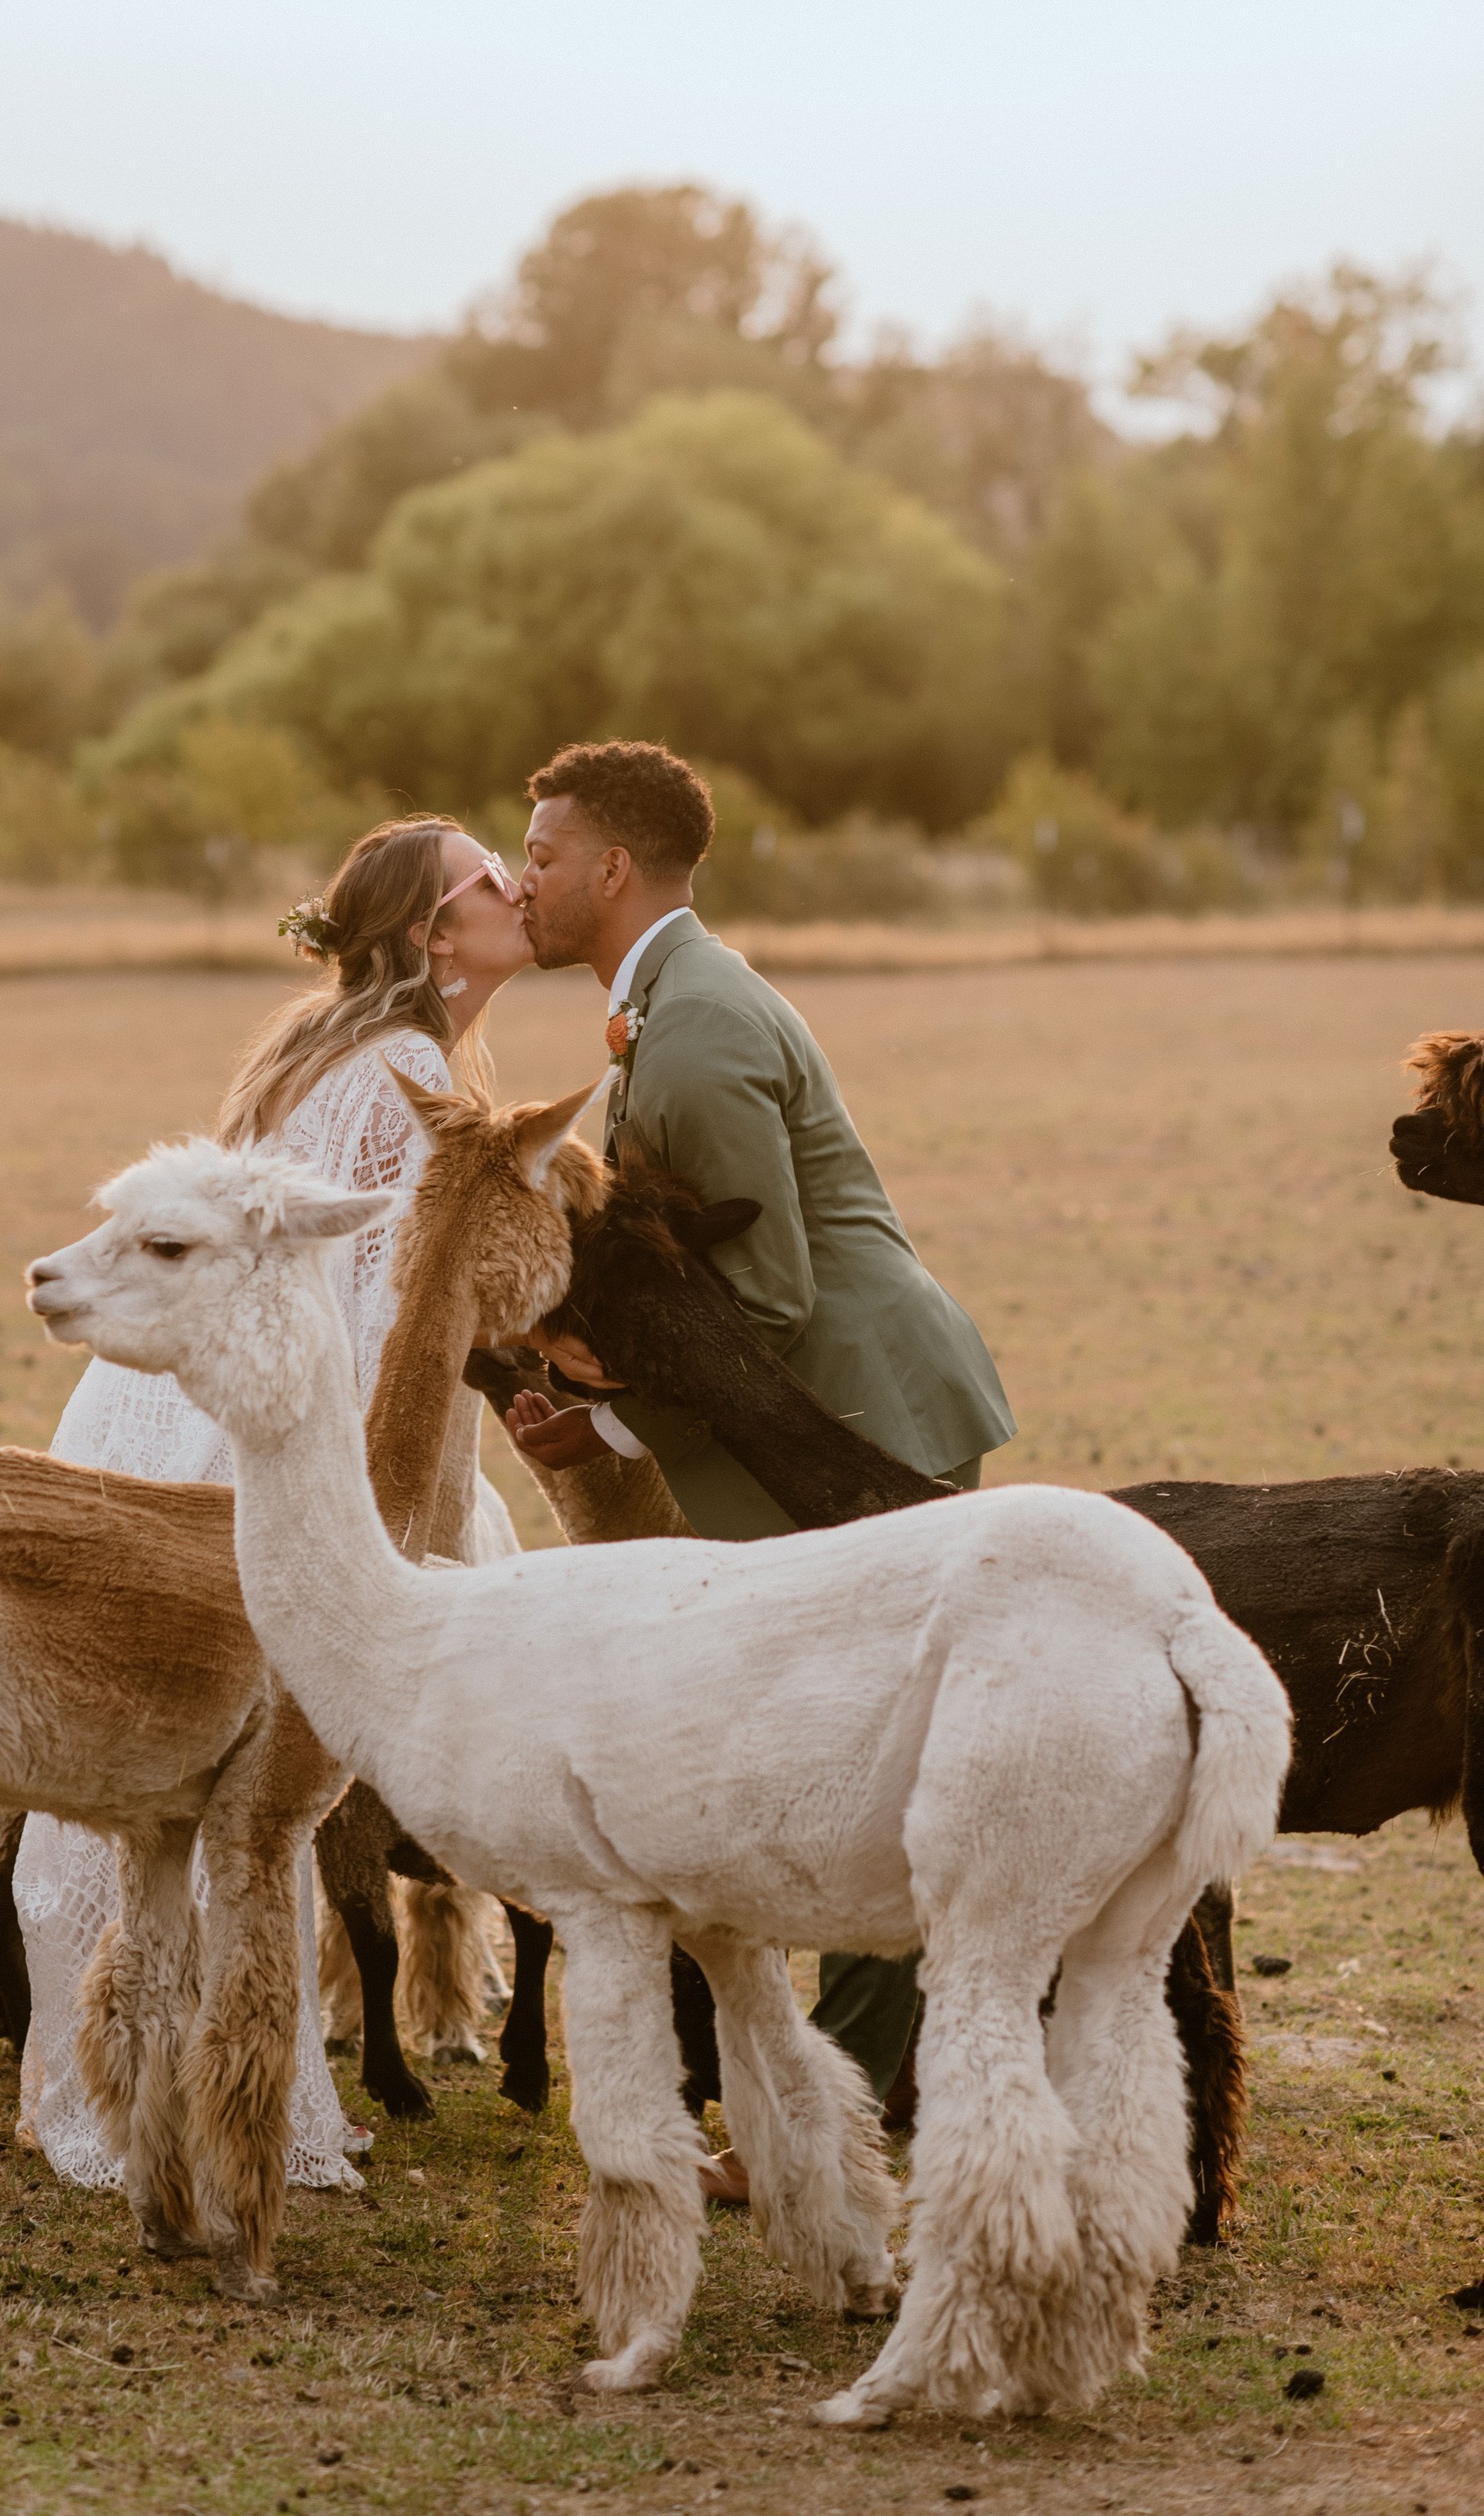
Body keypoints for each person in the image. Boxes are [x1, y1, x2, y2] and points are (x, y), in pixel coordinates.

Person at [511, 739, 1015, 2185]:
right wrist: (601, 1414)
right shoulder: (667, 1003)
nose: (521, 876)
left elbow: (771, 1300)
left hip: (860, 1424)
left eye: (539, 854)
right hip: (823, 1417)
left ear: (612, 869)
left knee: (872, 1768)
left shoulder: (692, 1032)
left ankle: (840, 2120)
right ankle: (854, 2101)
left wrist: (602, 1368)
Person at [16, 814, 536, 2195]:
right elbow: (377, 1304)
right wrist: (377, 1504)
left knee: (151, 1769)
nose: (516, 887)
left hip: (152, 1417)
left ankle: (117, 2077)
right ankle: (245, 2099)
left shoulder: (313, 1044)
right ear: (435, 933)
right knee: (261, 1783)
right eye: (492, 877)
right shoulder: (411, 1065)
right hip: (247, 1435)